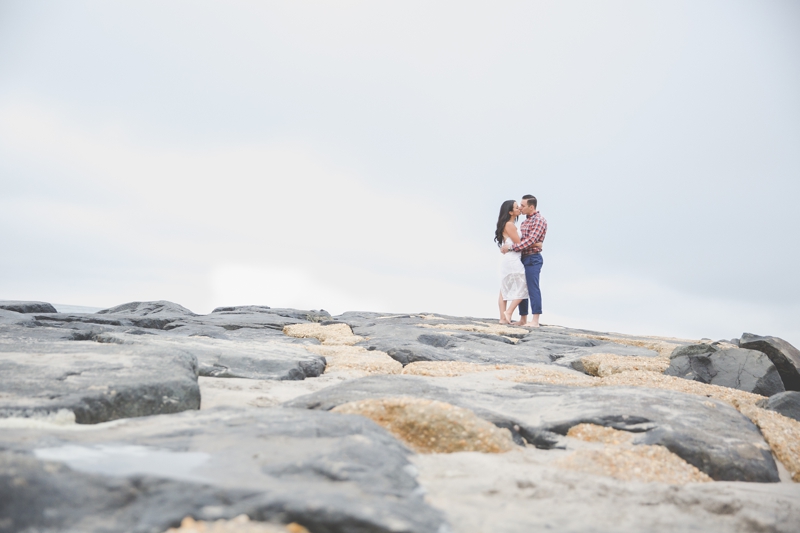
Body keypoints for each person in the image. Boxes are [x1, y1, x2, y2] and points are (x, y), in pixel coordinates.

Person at [502, 195, 547, 327]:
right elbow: (524, 242)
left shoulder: (539, 220)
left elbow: (530, 241)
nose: (520, 208)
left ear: (531, 207)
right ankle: (523, 319)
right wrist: (533, 245)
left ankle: (535, 320)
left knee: (533, 288)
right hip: (522, 257)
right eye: (520, 205)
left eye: (523, 206)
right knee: (522, 287)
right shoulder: (524, 222)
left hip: (533, 258)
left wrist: (511, 247)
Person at [494, 200, 527, 324]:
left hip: (509, 258)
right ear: (510, 212)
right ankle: (508, 312)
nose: (519, 208)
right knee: (524, 285)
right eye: (516, 207)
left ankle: (503, 318)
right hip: (513, 259)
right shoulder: (509, 225)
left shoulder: (508, 224)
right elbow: (519, 243)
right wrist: (535, 243)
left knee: (505, 287)